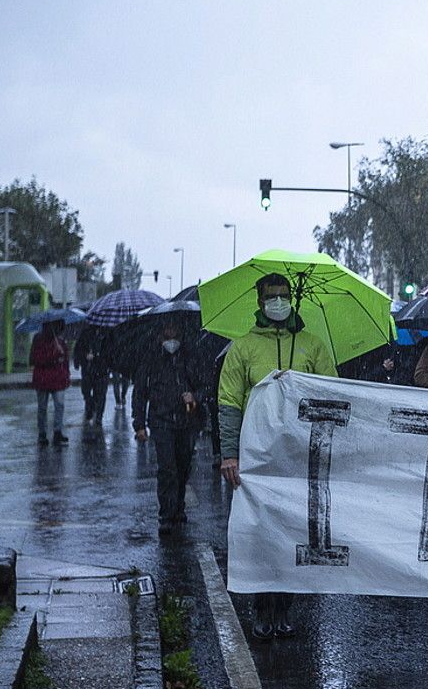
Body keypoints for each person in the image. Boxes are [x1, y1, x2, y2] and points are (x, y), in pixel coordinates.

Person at [218, 273, 337, 639]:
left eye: (284, 296)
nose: (278, 302)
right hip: (257, 461)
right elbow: (228, 403)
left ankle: (284, 607)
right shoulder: (242, 348)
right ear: (259, 302)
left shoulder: (312, 345)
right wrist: (229, 454)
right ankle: (262, 608)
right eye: (271, 297)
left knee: (293, 534)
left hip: (300, 458)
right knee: (260, 535)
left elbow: (332, 393)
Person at [133, 319, 206, 535]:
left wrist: (195, 396)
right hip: (161, 422)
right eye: (167, 334)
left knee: (183, 467)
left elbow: (205, 385)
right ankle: (166, 514)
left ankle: (179, 507)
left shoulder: (191, 358)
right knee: (167, 469)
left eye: (175, 334)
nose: (171, 339)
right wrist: (139, 424)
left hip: (187, 422)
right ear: (160, 335)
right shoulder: (150, 360)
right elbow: (139, 393)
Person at [29, 319, 70, 446]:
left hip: (57, 378)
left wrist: (66, 373)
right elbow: (35, 359)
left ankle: (57, 431)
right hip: (44, 378)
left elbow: (65, 361)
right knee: (42, 407)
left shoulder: (60, 341)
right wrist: (54, 356)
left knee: (59, 405)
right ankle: (42, 433)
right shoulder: (38, 340)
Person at [73, 325, 110, 425]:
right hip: (88, 369)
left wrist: (98, 356)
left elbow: (110, 352)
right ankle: (90, 406)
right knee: (86, 391)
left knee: (101, 394)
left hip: (102, 369)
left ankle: (99, 417)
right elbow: (78, 348)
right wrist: (83, 358)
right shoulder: (86, 333)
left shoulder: (107, 333)